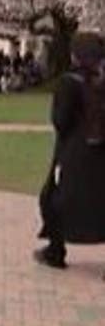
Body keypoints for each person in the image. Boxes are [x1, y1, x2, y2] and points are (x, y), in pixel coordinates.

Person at [36, 33, 105, 273]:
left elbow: (61, 120)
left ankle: (56, 250)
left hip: (75, 152)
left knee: (53, 199)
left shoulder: (69, 82)